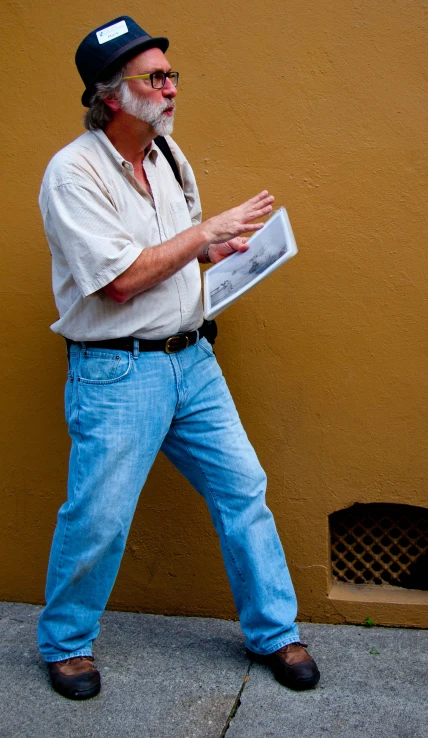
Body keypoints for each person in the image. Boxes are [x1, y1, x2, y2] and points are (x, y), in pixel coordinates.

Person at [38, 15, 319, 701]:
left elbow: (171, 257)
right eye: (155, 78)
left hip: (191, 362)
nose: (170, 89)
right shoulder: (71, 175)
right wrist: (202, 235)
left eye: (172, 76)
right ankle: (66, 645)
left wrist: (219, 254)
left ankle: (274, 632)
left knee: (242, 490)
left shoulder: (168, 155)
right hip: (117, 372)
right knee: (98, 517)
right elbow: (121, 280)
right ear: (111, 94)